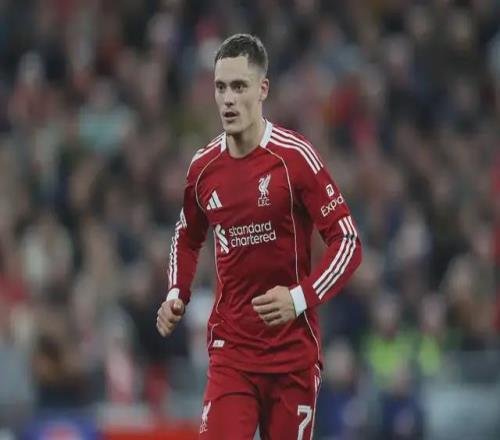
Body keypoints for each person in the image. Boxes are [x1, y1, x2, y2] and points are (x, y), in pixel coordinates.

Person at [156, 33, 362, 440]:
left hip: (292, 356)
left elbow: (348, 242)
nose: (228, 99)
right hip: (232, 353)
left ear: (262, 89)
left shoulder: (294, 158)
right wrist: (177, 291)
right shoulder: (203, 168)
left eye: (239, 86)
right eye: (220, 87)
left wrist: (298, 298)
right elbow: (187, 234)